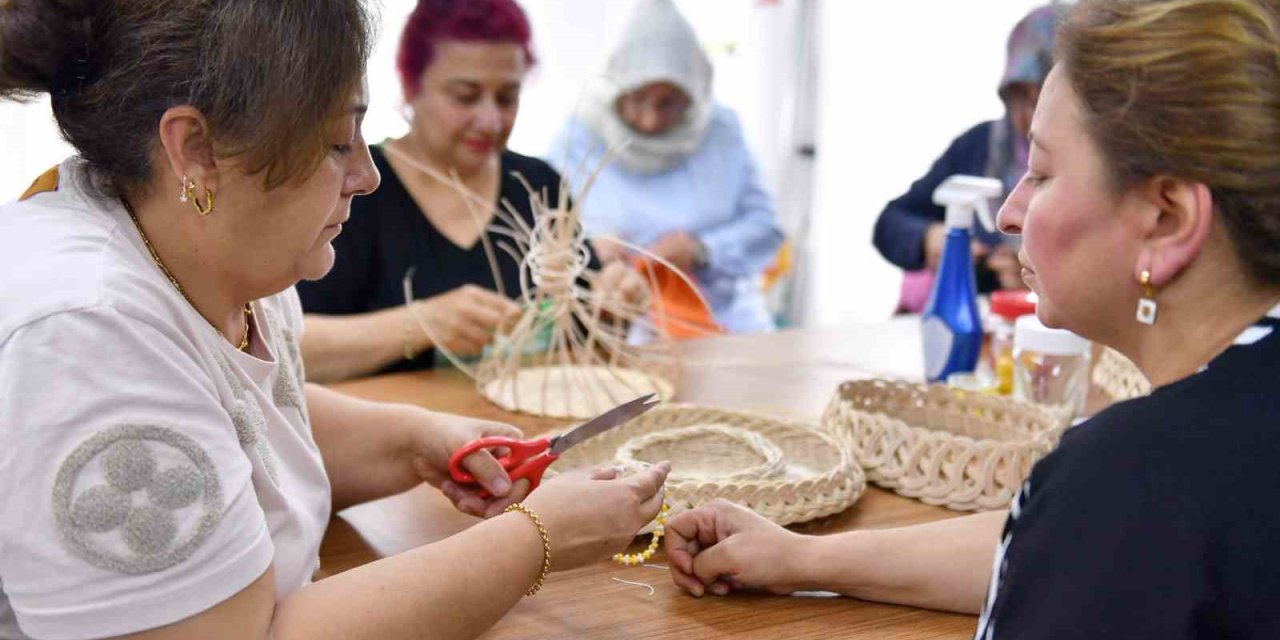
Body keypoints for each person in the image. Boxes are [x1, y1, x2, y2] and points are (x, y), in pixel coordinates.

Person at [0, 2, 668, 638]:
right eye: (337, 143)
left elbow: (247, 421)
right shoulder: (85, 336)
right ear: (195, 148)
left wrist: (419, 440)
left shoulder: (217, 253)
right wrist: (536, 538)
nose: (367, 175)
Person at [666, 0, 1280, 636]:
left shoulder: (1131, 480)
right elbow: (1043, 543)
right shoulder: (1161, 485)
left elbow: (1097, 529)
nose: (1010, 213)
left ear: (1169, 219)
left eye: (1041, 174)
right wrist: (802, 557)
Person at [297, 0, 644, 383]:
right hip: (396, 438)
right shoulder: (357, 189)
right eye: (465, 96)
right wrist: (420, 324)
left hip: (528, 430)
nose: (491, 119)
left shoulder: (538, 186)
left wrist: (612, 306)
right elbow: (287, 345)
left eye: (507, 97)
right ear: (411, 88)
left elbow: (584, 331)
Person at [548, 0, 785, 334]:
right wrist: (588, 249)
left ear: (692, 96)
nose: (649, 120)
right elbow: (542, 233)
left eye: (667, 103)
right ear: (617, 86)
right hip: (618, 326)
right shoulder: (580, 136)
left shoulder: (721, 133)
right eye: (638, 99)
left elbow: (767, 229)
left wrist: (703, 251)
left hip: (724, 320)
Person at [873, 5, 1059, 305]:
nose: (1030, 111)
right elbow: (891, 221)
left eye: (1042, 94)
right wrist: (932, 240)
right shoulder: (981, 144)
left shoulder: (1091, 165)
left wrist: (1031, 287)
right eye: (1019, 94)